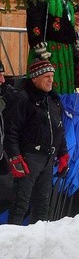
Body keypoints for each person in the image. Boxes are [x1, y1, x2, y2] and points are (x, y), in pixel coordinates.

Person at [3, 60, 69, 225]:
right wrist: (15, 157)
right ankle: (12, 243)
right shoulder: (22, 99)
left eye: (52, 76)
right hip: (29, 158)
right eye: (46, 76)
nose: (50, 80)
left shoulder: (53, 101)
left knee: (42, 205)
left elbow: (59, 129)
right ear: (34, 78)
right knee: (21, 204)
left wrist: (63, 153)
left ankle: (38, 243)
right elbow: (10, 131)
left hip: (48, 158)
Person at [26, 0, 77, 94]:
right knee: (48, 85)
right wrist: (38, 44)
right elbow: (34, 19)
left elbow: (68, 22)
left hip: (65, 52)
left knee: (66, 88)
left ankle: (64, 108)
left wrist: (74, 40)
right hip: (49, 49)